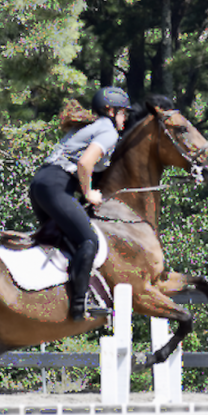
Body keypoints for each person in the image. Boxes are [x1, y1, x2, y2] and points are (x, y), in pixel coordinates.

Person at [29, 86, 132, 321]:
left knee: (65, 241)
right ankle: (79, 306)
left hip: (40, 185)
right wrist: (88, 194)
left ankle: (53, 294)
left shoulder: (89, 128)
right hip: (56, 185)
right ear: (110, 110)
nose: (125, 118)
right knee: (89, 240)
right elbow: (85, 164)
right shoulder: (108, 131)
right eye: (123, 112)